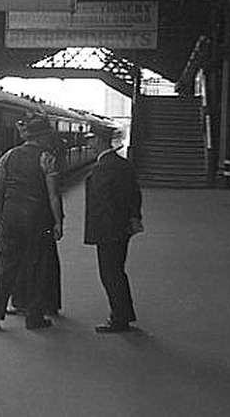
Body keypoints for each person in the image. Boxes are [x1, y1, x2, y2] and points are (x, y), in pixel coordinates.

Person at [0, 113, 64, 332]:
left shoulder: (8, 156)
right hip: (36, 217)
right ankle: (34, 317)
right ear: (43, 137)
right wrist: (58, 222)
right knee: (37, 267)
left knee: (5, 267)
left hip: (10, 216)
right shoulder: (47, 158)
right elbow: (53, 195)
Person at [84, 130, 143, 333]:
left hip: (108, 231)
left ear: (100, 141)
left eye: (91, 140)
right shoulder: (123, 164)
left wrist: (100, 232)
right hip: (123, 228)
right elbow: (136, 194)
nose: (89, 144)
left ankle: (119, 318)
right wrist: (134, 218)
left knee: (109, 274)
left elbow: (103, 204)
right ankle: (124, 315)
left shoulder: (102, 168)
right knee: (118, 272)